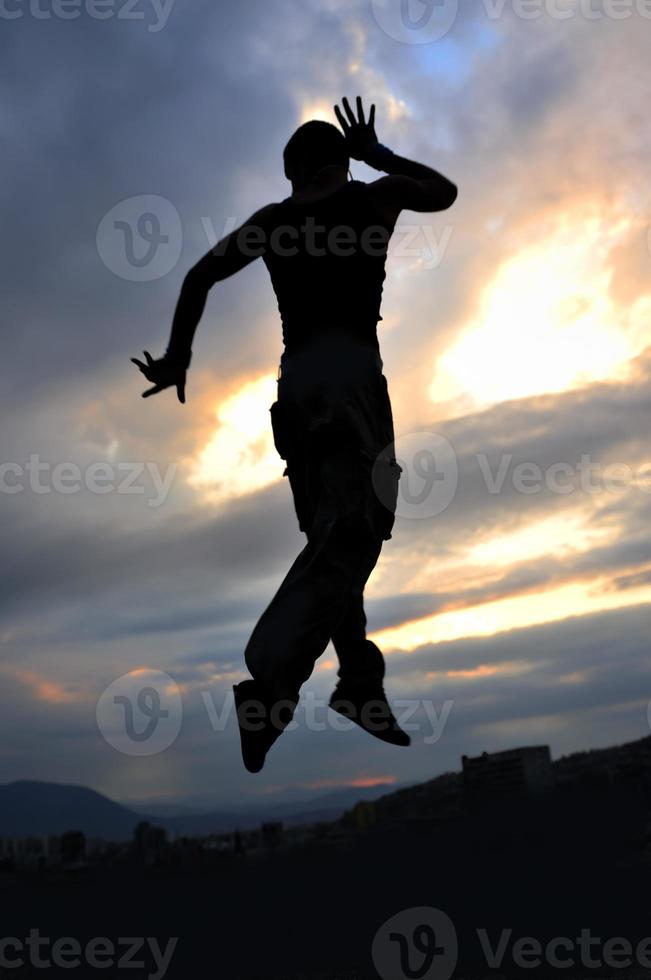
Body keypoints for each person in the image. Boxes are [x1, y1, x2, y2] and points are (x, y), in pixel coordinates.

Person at [132, 96, 457, 772]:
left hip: (298, 388)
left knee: (333, 538)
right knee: (352, 534)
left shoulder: (275, 222)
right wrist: (380, 155)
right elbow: (443, 192)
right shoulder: (373, 198)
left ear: (289, 170)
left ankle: (359, 683)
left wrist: (178, 357)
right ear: (342, 161)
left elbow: (200, 274)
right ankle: (273, 686)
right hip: (351, 381)